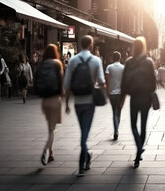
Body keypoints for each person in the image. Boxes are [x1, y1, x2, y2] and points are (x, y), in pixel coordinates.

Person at [63, 35, 105, 177]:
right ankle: (82, 165)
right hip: (90, 102)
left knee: (83, 133)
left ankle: (85, 159)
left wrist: (67, 103)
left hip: (77, 103)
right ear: (91, 45)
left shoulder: (73, 60)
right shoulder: (96, 60)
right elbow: (101, 80)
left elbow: (66, 83)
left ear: (81, 44)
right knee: (84, 136)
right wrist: (99, 88)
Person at [121, 37, 156, 169]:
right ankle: (139, 152)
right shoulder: (149, 62)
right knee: (143, 125)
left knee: (133, 125)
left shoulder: (129, 62)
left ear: (134, 47)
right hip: (146, 97)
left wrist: (122, 98)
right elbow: (153, 82)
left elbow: (124, 81)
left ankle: (139, 149)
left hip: (134, 97)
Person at [40, 44, 64, 166]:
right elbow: (61, 81)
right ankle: (46, 150)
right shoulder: (57, 63)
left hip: (45, 100)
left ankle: (51, 152)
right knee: (52, 129)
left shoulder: (43, 64)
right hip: (55, 99)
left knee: (50, 126)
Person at [105, 51, 124, 141]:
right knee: (118, 113)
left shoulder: (109, 67)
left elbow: (107, 79)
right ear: (120, 58)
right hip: (120, 93)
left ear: (113, 58)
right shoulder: (123, 68)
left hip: (112, 93)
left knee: (114, 112)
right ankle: (116, 130)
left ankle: (115, 130)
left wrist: (107, 91)